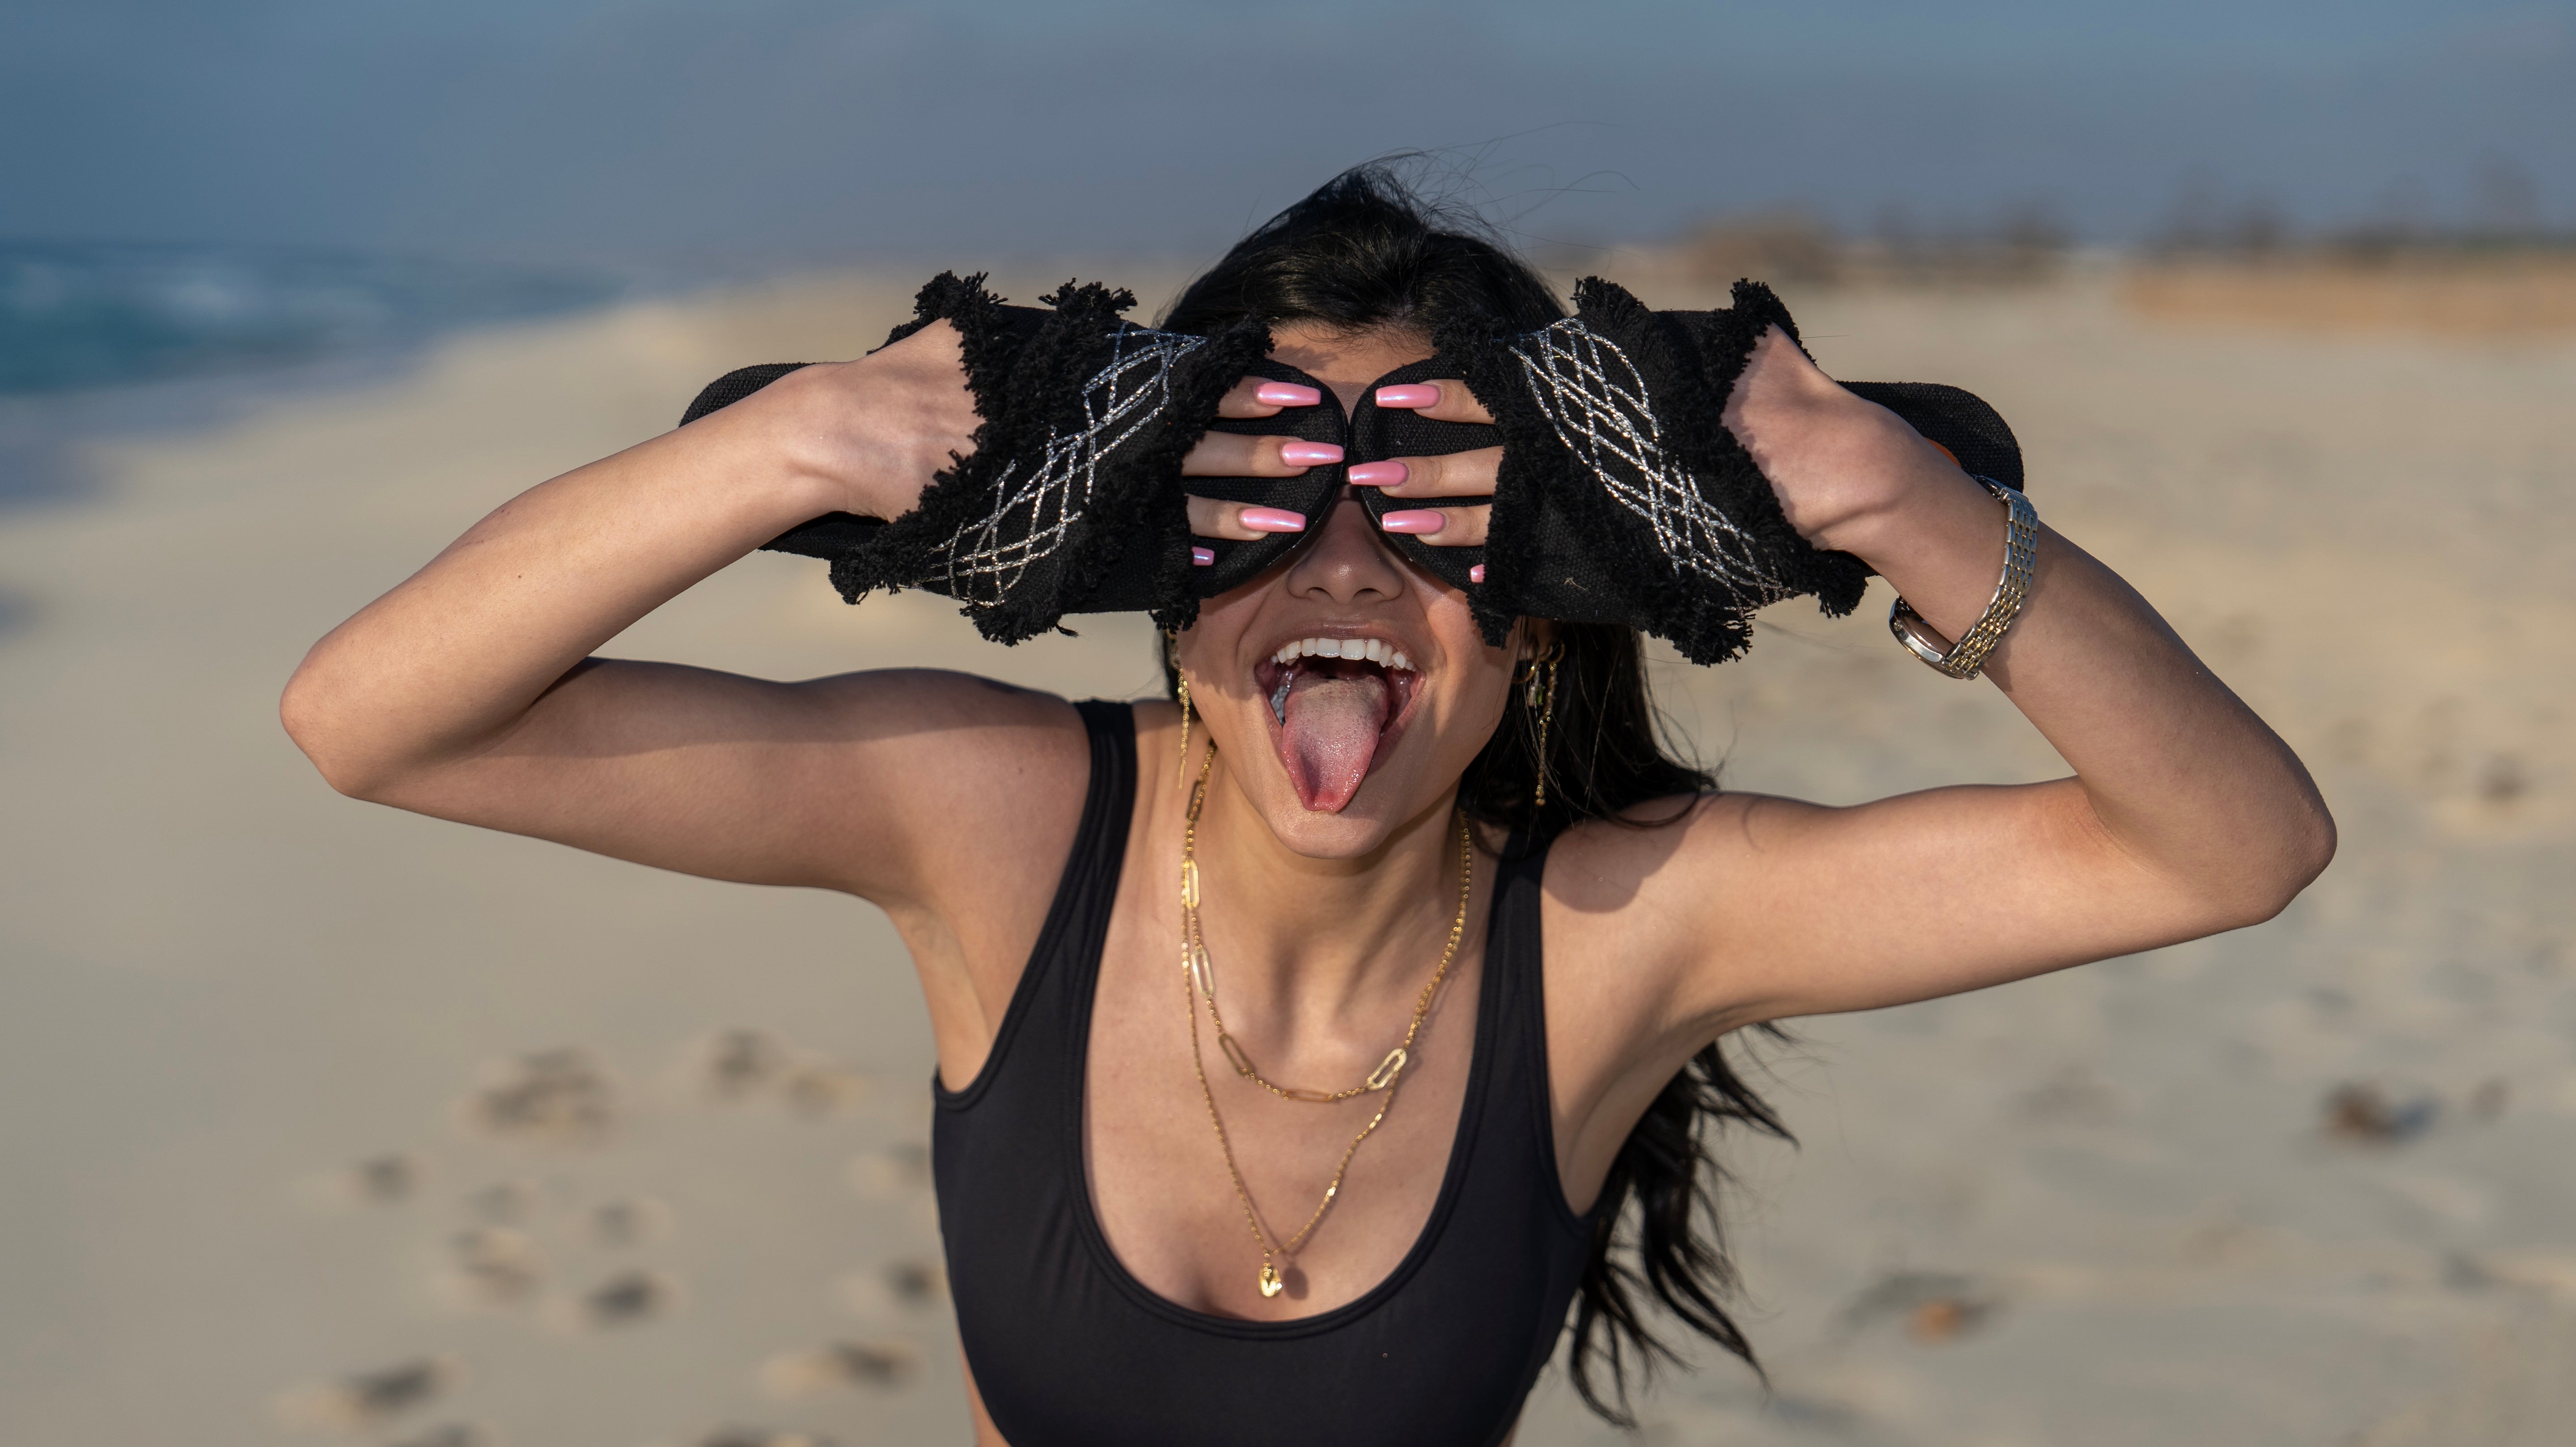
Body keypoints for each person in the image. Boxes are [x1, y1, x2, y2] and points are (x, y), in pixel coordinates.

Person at [280, 168, 2334, 1447]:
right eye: (1262, 504)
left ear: (1536, 615)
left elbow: (2234, 845)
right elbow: (376, 720)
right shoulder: (993, 824)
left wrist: (1900, 495)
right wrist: (793, 439)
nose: (1343, 571)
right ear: (1152, 566)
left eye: (1432, 517)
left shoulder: (1633, 929)